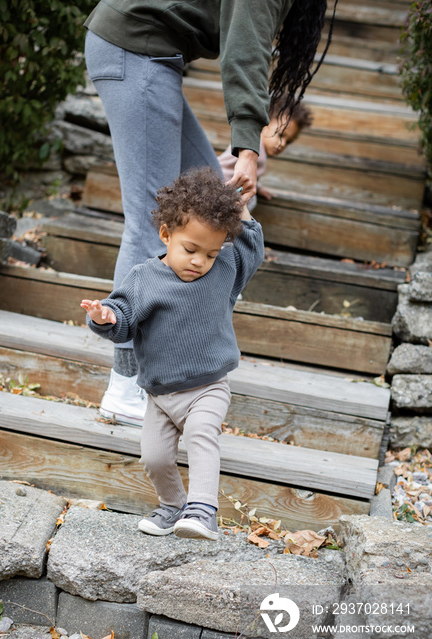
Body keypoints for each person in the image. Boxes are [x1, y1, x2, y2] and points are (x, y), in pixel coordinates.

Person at [84, 0, 335, 426]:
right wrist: (248, 147)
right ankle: (125, 387)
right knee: (156, 224)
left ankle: (187, 355)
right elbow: (246, 49)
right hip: (137, 49)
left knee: (211, 207)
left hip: (151, 54)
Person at [80, 167, 264, 541]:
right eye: (191, 249)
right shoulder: (145, 278)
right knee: (155, 458)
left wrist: (240, 209)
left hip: (208, 386)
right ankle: (173, 506)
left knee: (201, 435)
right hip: (160, 395)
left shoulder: (225, 270)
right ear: (166, 235)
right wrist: (105, 316)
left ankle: (203, 510)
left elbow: (252, 246)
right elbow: (124, 319)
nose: (200, 261)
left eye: (211, 253)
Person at [218, 98, 313, 210]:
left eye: (288, 142)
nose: (282, 144)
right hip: (220, 188)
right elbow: (223, 167)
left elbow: (247, 175)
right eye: (281, 135)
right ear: (264, 124)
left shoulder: (257, 150)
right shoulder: (250, 148)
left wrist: (258, 187)